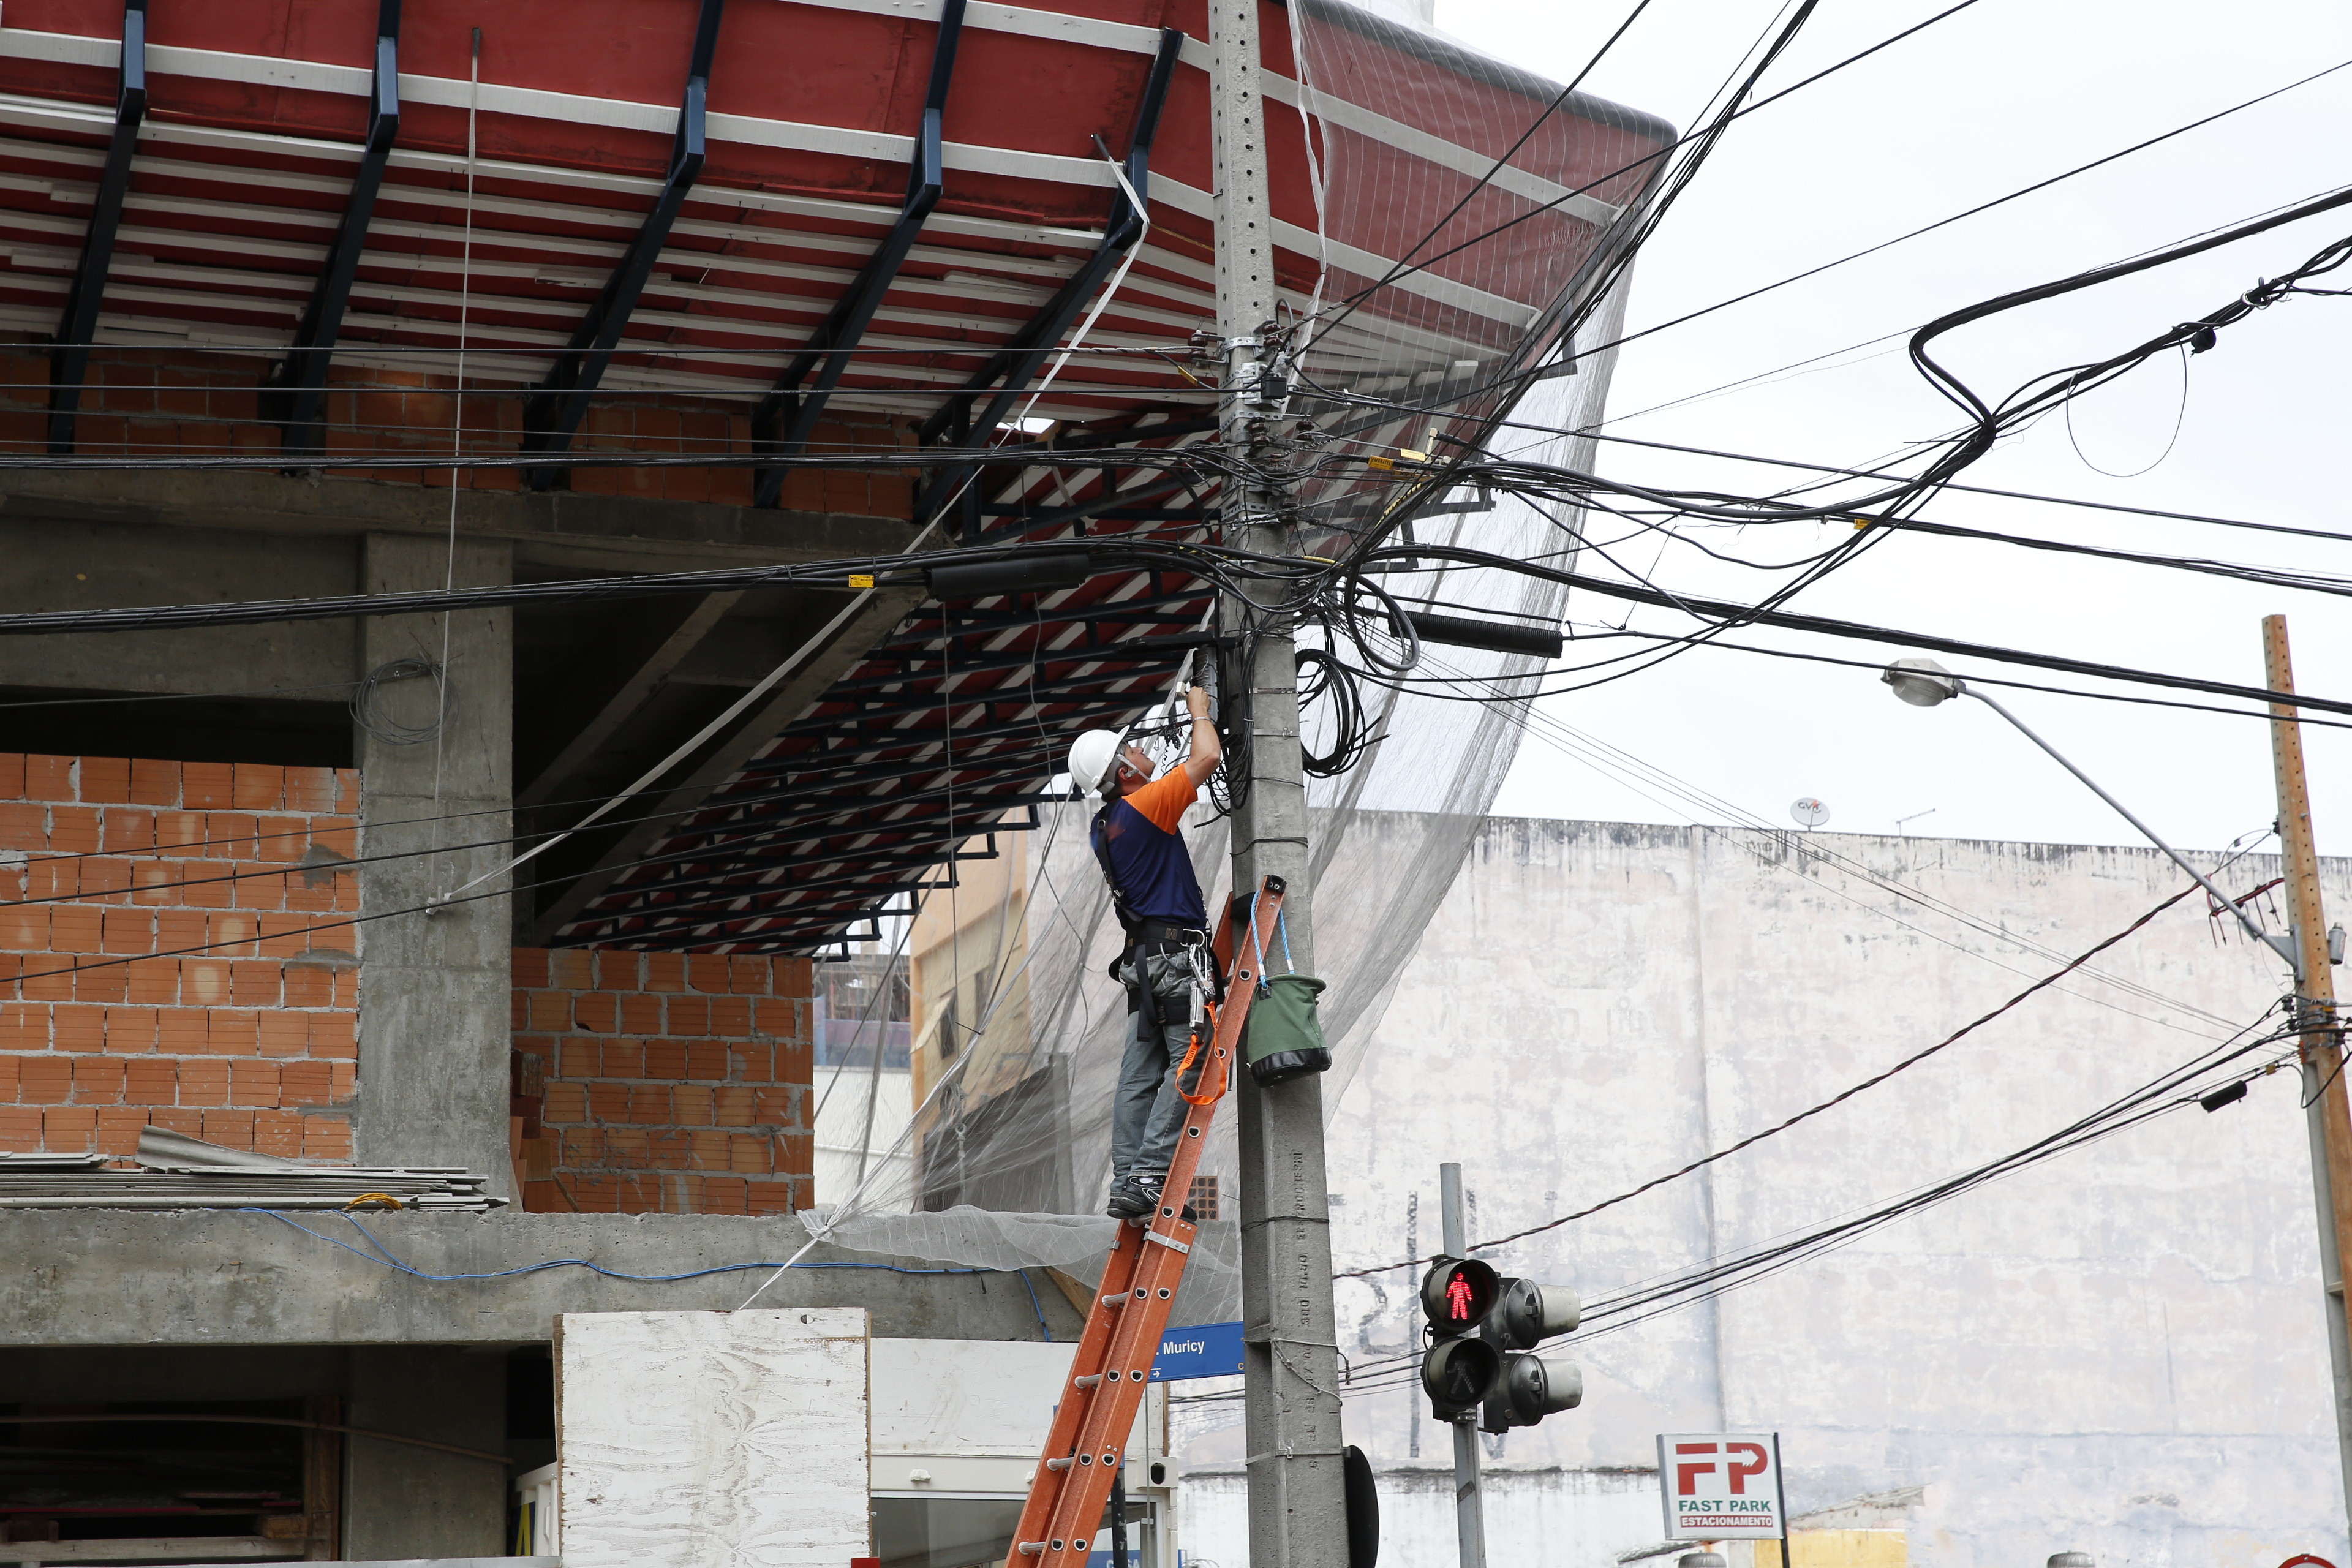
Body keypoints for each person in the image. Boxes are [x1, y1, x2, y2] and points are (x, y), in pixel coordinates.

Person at [1066, 680, 1223, 1221]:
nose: (1141, 749)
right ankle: (1150, 1174)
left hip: (1146, 967)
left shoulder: (1104, 825)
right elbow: (1207, 755)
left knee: (1138, 1078)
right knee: (1192, 1060)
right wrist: (1199, 709)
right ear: (1123, 773)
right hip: (1175, 963)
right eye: (1129, 749)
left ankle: (1125, 1183)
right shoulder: (1145, 806)